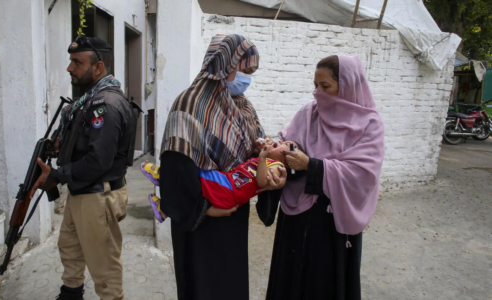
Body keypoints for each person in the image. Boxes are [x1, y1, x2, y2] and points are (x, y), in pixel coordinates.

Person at [159, 34, 287, 300]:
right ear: (225, 65)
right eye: (246, 70)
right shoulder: (189, 104)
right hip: (200, 219)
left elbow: (256, 152)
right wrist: (206, 209)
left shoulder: (243, 107)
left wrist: (273, 168)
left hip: (234, 214)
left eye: (252, 72)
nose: (248, 79)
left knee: (231, 284)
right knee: (202, 286)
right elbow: (175, 168)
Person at [259, 55, 385, 300]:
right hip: (295, 217)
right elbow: (287, 145)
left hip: (332, 223)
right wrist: (279, 157)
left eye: (325, 86)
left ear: (347, 86)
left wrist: (313, 166)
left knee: (323, 284)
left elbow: (363, 176)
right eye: (315, 86)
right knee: (290, 279)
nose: (318, 93)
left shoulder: (369, 124)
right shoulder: (309, 113)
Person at [29, 36, 135, 300]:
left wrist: (56, 176)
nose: (69, 68)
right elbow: (84, 143)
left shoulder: (105, 105)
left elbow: (99, 160)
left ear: (98, 68)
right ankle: (71, 294)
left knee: (104, 266)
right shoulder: (87, 101)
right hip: (82, 192)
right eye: (70, 61)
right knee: (70, 249)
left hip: (98, 196)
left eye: (77, 62)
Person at [141, 140, 293, 222]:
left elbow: (261, 181)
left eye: (288, 146)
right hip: (227, 184)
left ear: (289, 161)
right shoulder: (267, 160)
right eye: (284, 141)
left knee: (193, 171)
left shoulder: (277, 167)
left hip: (228, 189)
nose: (281, 142)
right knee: (193, 179)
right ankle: (164, 210)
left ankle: (162, 176)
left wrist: (262, 157)